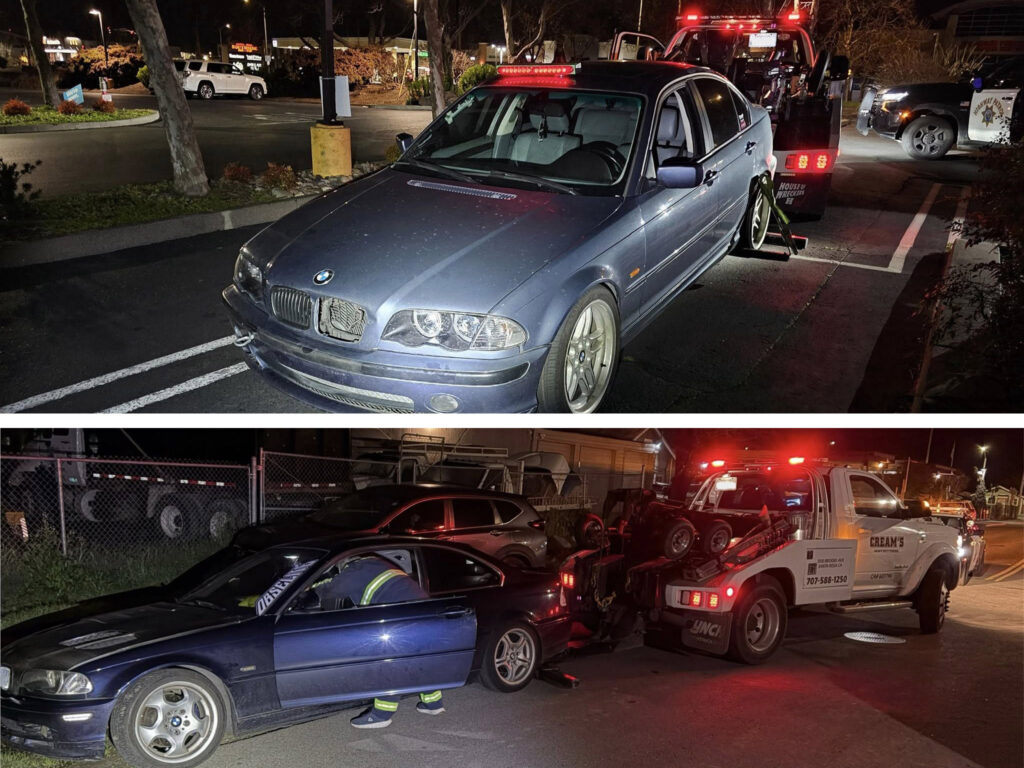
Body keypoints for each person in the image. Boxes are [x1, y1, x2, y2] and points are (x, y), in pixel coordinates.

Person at [316, 554, 445, 729]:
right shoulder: (379, 564)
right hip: (425, 614)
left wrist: (308, 588)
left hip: (402, 619)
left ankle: (381, 716)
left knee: (387, 665)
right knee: (418, 661)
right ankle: (434, 705)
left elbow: (330, 589)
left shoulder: (356, 571)